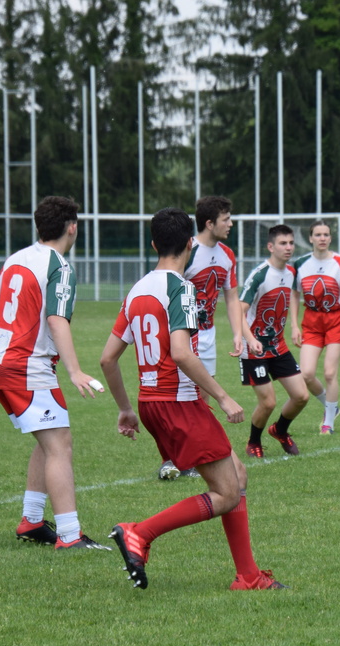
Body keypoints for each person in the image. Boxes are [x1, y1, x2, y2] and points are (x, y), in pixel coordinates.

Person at [100, 207, 285, 590]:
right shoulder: (180, 288)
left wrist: (125, 409)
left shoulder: (136, 290)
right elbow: (181, 353)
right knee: (227, 493)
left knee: (237, 475)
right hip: (177, 402)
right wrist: (223, 397)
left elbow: (107, 359)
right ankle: (139, 533)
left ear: (154, 245)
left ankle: (248, 575)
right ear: (189, 244)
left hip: (152, 402)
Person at [0, 195, 111, 550]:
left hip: (1, 363)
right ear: (72, 227)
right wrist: (75, 370)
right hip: (28, 367)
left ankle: (32, 521)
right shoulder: (59, 266)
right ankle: (70, 536)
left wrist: (12, 335)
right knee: (59, 445)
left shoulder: (17, 257)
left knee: (47, 439)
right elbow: (56, 320)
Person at [156, 195, 243, 480]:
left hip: (207, 335)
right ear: (209, 223)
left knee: (201, 399)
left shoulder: (228, 255)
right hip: (181, 335)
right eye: (226, 219)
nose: (230, 224)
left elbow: (231, 297)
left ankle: (190, 459)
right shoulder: (188, 251)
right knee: (178, 398)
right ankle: (171, 460)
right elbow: (167, 285)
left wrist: (238, 334)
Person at [238, 224, 311, 458]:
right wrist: (250, 339)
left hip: (278, 346)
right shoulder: (260, 275)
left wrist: (294, 326)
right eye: (283, 243)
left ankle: (279, 430)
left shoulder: (290, 273)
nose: (288, 247)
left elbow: (290, 299)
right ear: (271, 247)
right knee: (268, 402)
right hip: (255, 350)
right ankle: (253, 441)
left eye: (291, 243)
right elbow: (239, 311)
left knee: (301, 396)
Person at [289, 220, 340, 435]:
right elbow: (294, 294)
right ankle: (332, 407)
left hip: (337, 320)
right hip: (312, 321)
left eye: (326, 234)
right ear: (310, 238)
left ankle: (328, 422)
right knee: (307, 374)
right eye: (318, 235)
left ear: (330, 238)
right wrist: (294, 325)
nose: (322, 238)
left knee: (329, 372)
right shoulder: (300, 264)